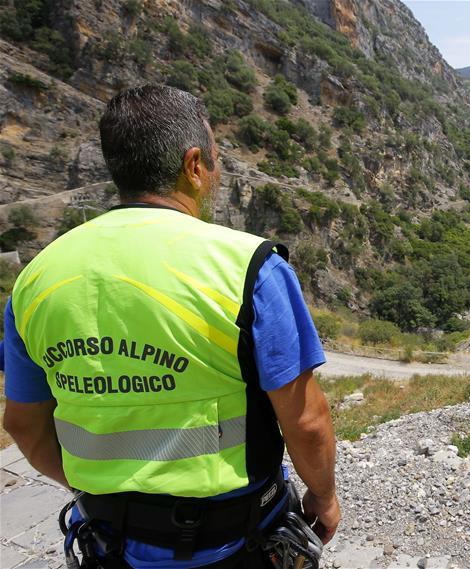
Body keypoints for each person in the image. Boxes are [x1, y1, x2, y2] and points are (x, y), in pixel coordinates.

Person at [1, 84, 341, 568]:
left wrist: (101, 498)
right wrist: (323, 497)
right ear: (194, 164)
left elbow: (23, 425)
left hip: (108, 545)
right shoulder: (249, 266)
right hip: (234, 543)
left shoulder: (35, 280)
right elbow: (305, 421)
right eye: (216, 160)